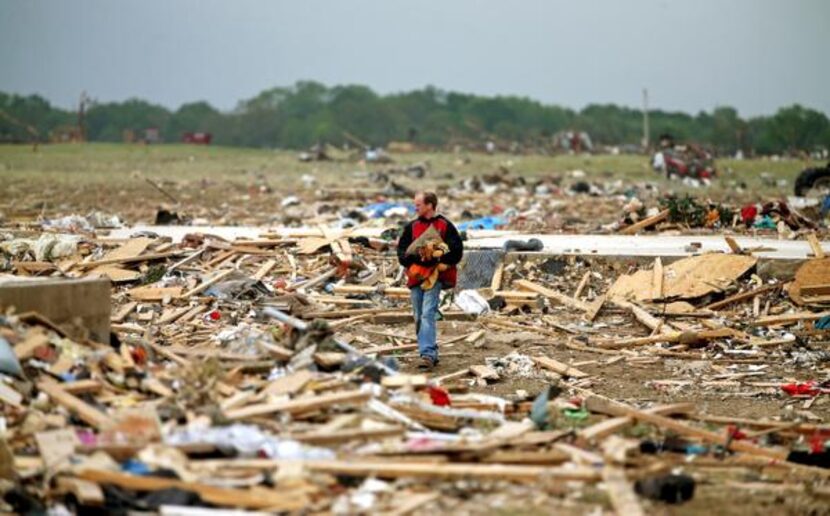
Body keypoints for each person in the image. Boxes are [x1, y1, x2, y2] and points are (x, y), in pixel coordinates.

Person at [396, 192, 463, 369]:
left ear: (429, 205)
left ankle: (428, 354)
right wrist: (413, 262)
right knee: (418, 315)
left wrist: (445, 263)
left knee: (427, 313)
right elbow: (402, 251)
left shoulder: (445, 225)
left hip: (435, 278)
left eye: (418, 205)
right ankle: (429, 349)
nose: (415, 208)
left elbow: (456, 250)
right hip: (416, 277)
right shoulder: (412, 227)